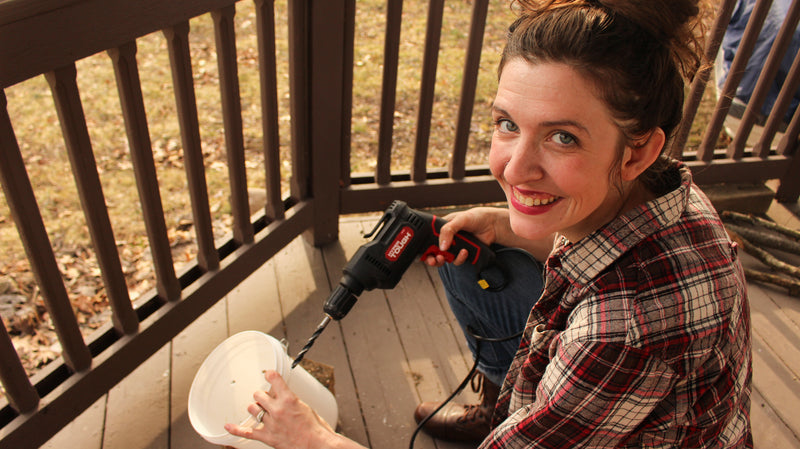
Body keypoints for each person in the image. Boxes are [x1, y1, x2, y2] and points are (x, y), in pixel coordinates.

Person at [224, 0, 753, 447]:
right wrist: (503, 224)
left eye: (562, 136)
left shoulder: (621, 332)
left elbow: (624, 316)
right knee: (468, 258)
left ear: (638, 151)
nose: (513, 168)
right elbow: (617, 249)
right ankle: (508, 413)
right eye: (507, 124)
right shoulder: (668, 190)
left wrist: (313, 437)